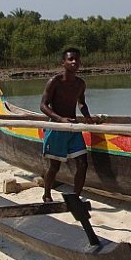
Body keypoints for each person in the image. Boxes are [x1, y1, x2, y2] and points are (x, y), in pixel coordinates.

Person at [40, 47, 97, 202]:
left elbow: (81, 103)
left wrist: (88, 117)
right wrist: (60, 119)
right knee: (55, 166)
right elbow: (43, 106)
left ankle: (76, 197)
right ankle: (47, 194)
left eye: (76, 60)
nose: (74, 62)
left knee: (83, 164)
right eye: (70, 59)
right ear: (63, 62)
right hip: (57, 127)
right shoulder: (55, 82)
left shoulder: (80, 84)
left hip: (74, 127)